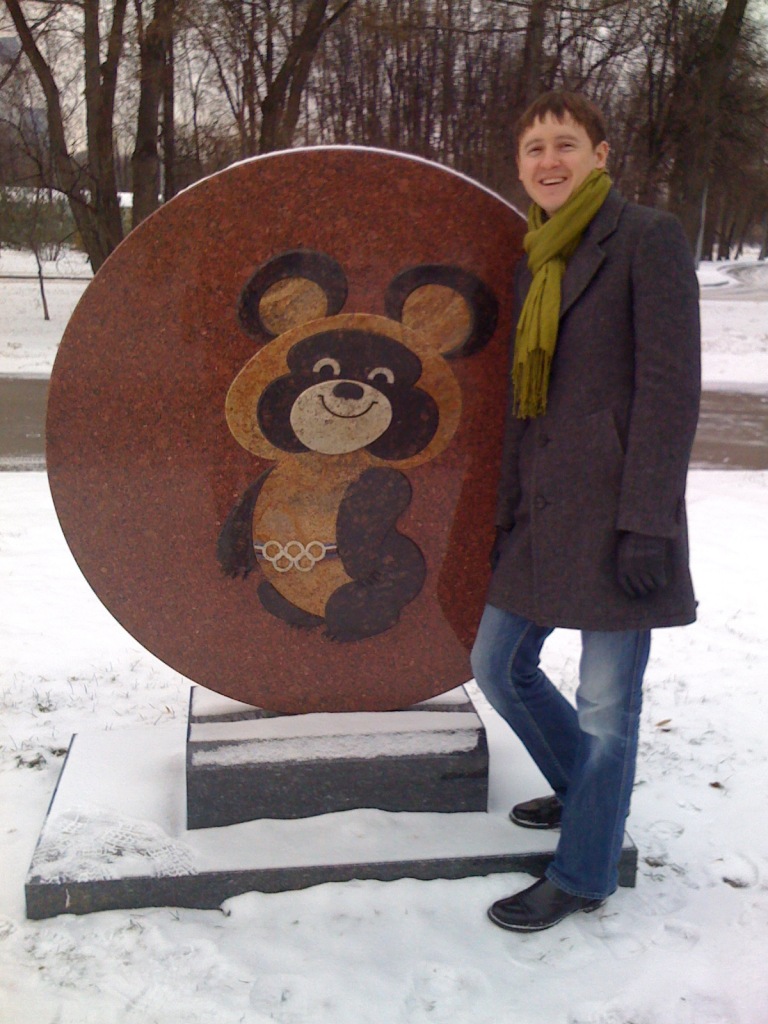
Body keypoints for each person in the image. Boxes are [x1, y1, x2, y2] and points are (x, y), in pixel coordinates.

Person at [471, 91, 701, 932]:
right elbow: (523, 401)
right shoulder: (537, 256)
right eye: (534, 148)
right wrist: (506, 508)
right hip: (541, 511)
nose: (549, 161)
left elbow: (670, 392)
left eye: (565, 144)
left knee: (606, 704)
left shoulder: (647, 238)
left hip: (617, 514)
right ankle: (588, 792)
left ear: (601, 155)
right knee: (499, 665)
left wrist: (648, 523)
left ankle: (584, 871)